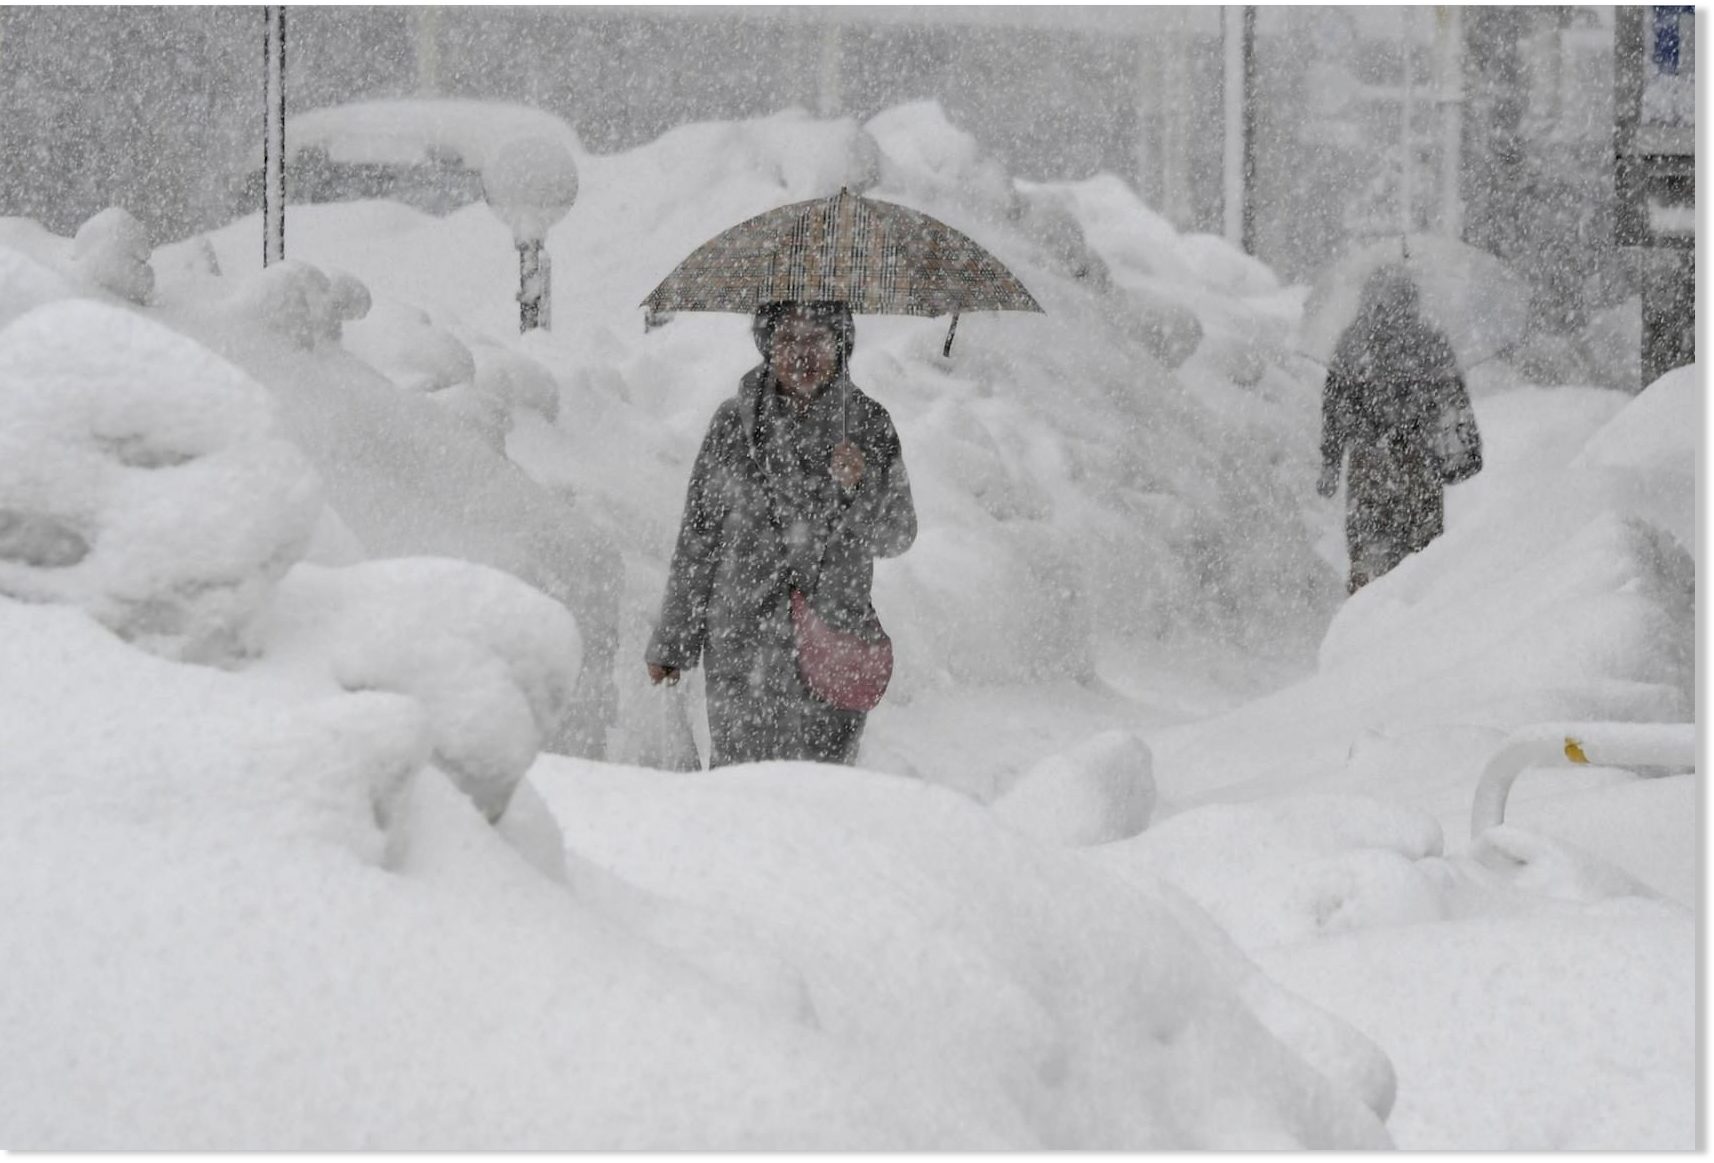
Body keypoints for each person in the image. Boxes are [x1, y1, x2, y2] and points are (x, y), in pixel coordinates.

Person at [645, 300, 917, 767]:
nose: (801, 353)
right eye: (787, 339)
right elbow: (698, 538)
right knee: (741, 795)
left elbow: (898, 534)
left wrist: (863, 485)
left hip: (831, 641)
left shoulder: (870, 425)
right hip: (741, 646)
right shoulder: (733, 424)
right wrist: (674, 642)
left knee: (820, 799)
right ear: (766, 343)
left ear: (842, 343)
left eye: (816, 339)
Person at [1317, 266, 1481, 594]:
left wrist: (1333, 461)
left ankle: (1366, 619)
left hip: (1370, 465)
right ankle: (1413, 622)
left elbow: (1335, 409)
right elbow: (1452, 404)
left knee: (1369, 550)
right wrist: (1461, 452)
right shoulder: (1431, 341)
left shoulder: (1353, 343)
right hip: (1420, 464)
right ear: (1413, 300)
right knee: (1422, 556)